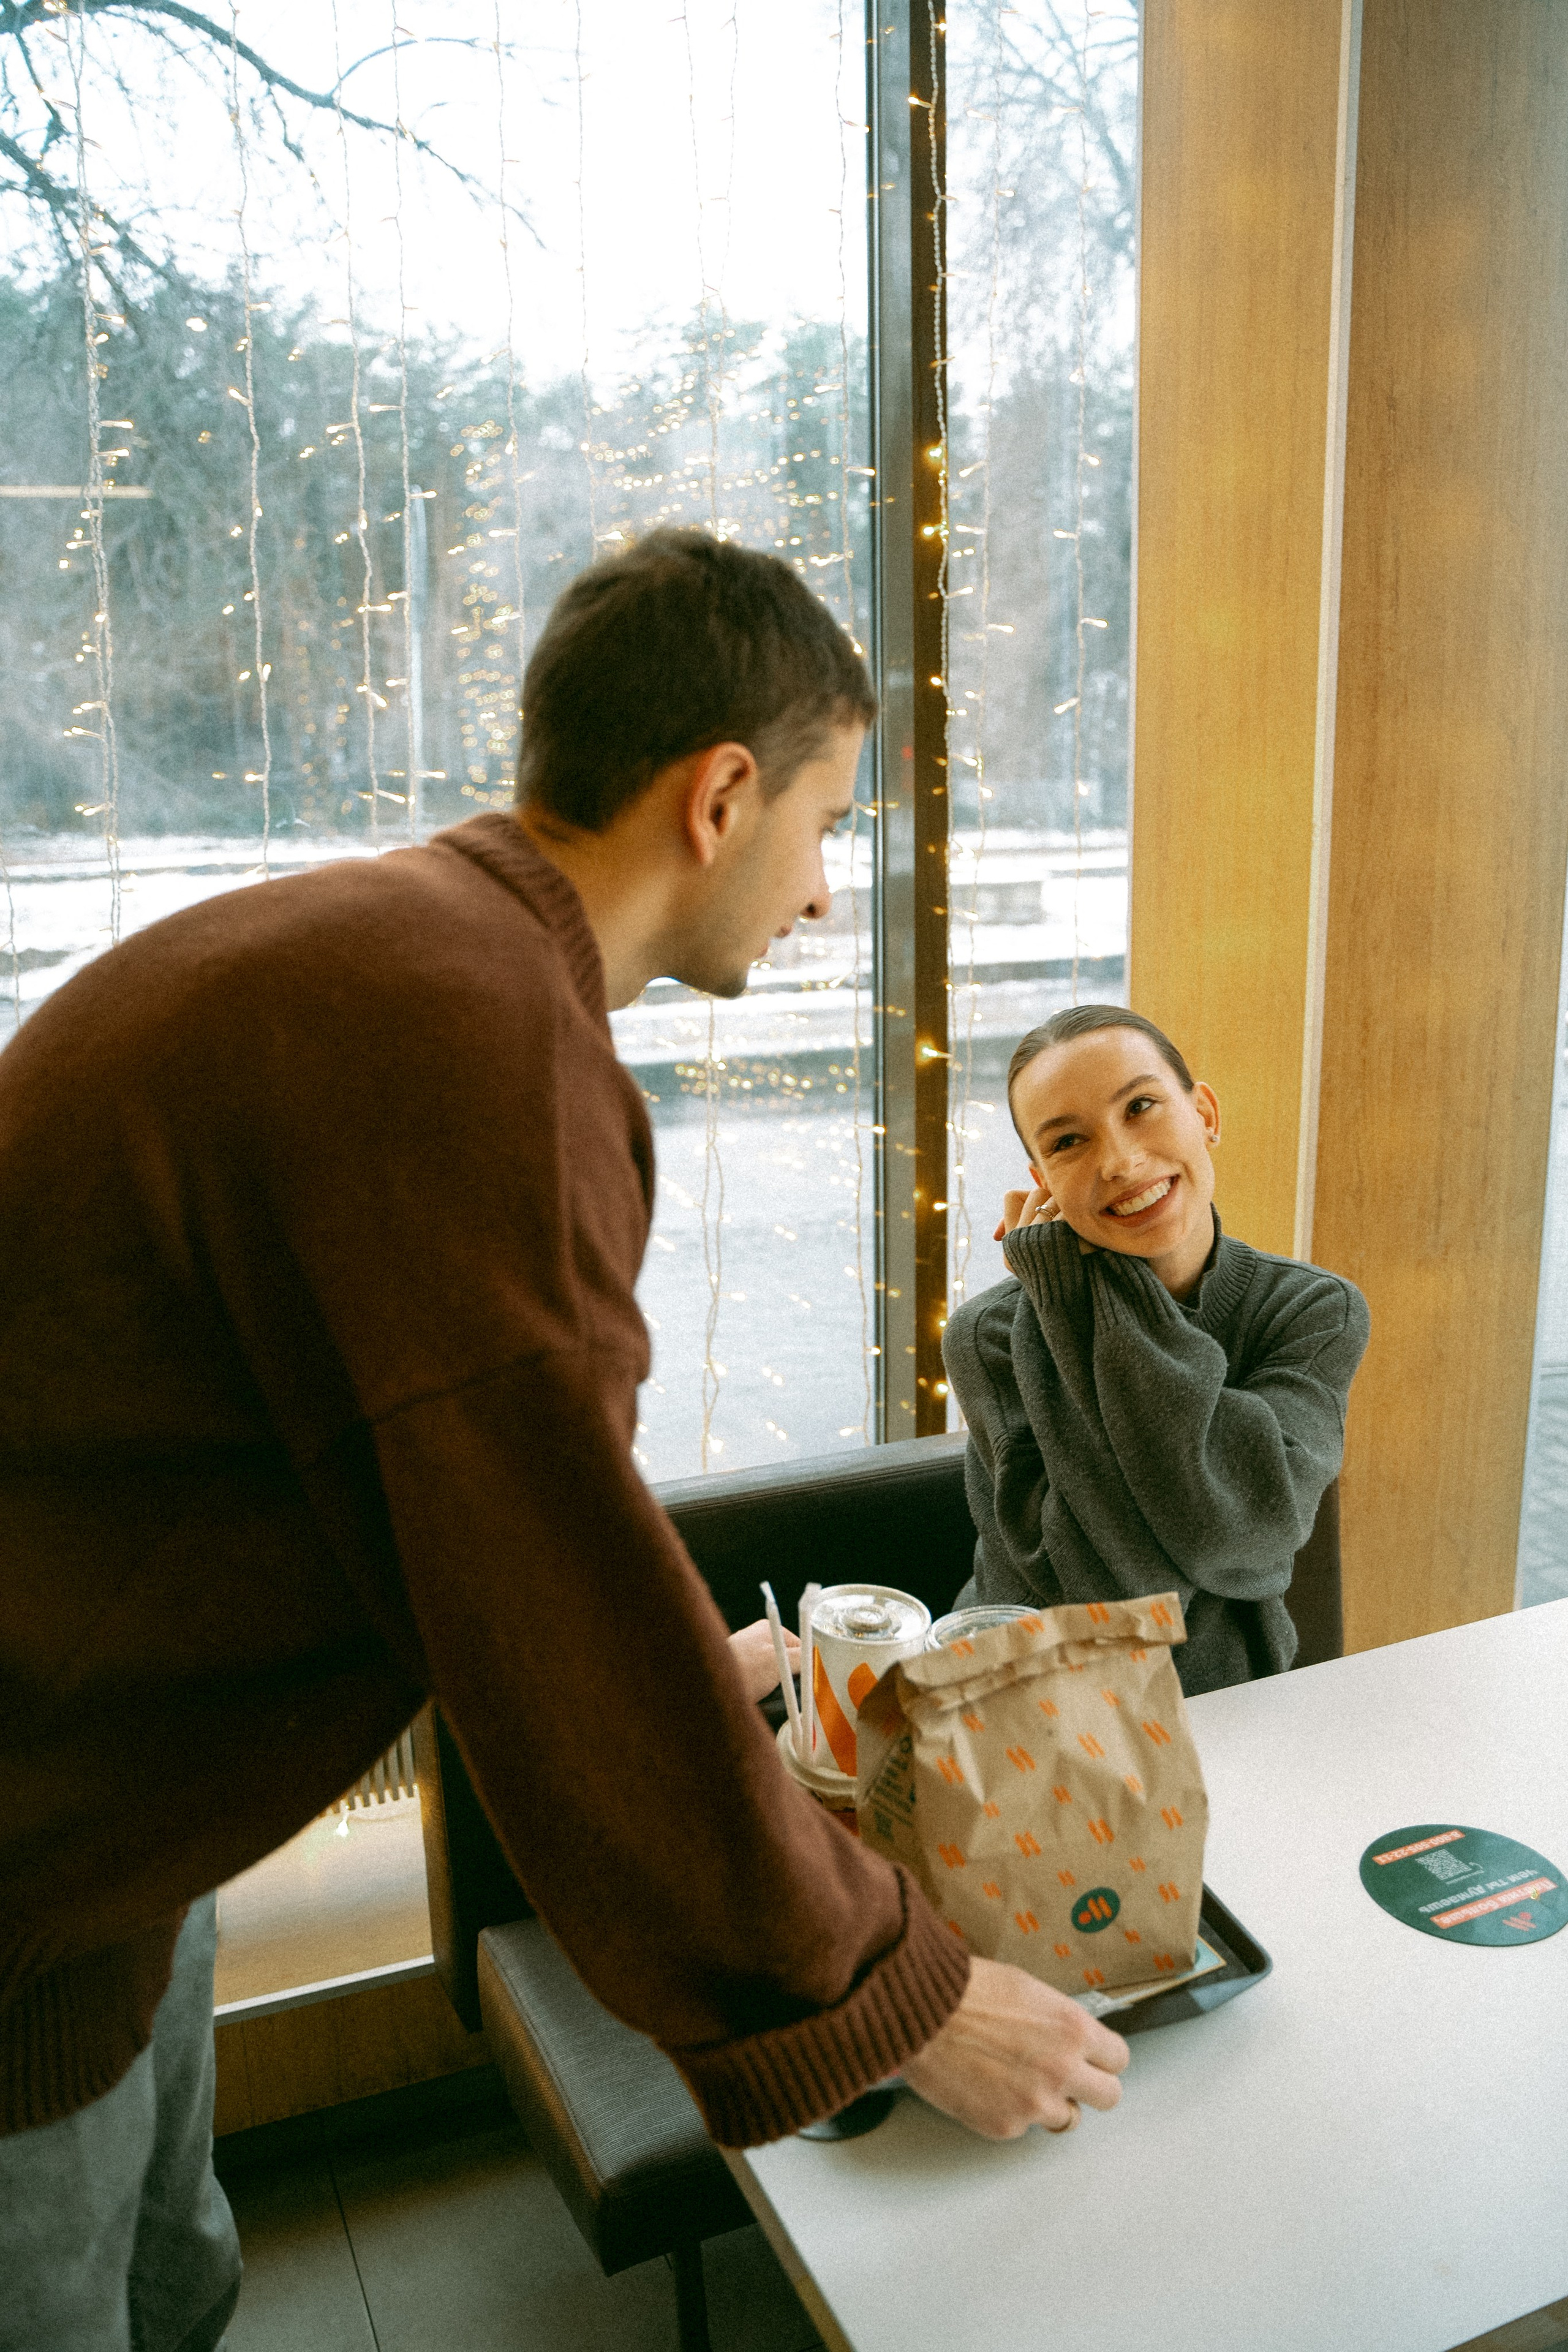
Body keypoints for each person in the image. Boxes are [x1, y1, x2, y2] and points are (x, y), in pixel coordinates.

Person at [0, 533, 1128, 2352]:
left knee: (173, 2285)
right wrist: (900, 1998)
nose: (827, 894)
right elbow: (550, 1606)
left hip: (109, 1847)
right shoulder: (470, 1041)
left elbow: (448, 1510)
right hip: (25, 1880)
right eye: (827, 824)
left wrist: (685, 1654)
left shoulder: (400, 950)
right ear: (721, 792)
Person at [943, 1004, 1370, 1694]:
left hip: (1236, 1706)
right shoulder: (990, 1337)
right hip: (1026, 1705)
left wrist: (1087, 1296)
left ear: (1204, 1113)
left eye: (1140, 1106)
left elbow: (1247, 1536)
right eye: (1068, 1142)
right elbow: (1097, 1596)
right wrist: (1065, 1301)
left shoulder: (1310, 1310)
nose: (1119, 1160)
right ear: (1042, 1178)